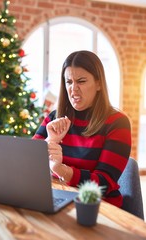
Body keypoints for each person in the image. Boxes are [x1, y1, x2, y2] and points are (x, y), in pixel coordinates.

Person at [33, 50, 131, 208]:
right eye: (69, 82)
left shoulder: (117, 123)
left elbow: (104, 183)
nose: (73, 89)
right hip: (58, 197)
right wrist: (50, 141)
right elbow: (28, 163)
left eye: (81, 81)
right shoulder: (54, 118)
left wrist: (60, 169)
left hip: (98, 206)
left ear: (99, 83)